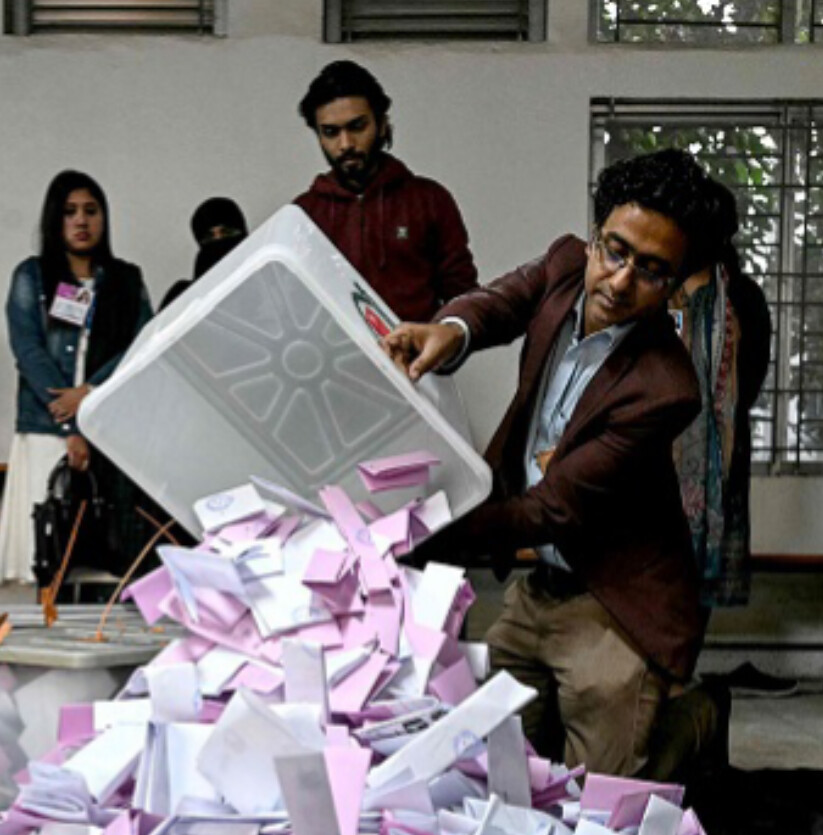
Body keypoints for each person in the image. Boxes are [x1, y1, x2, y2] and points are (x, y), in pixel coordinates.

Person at [380, 149, 727, 779]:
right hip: (538, 584)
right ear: (594, 237)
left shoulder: (665, 387)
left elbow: (552, 509)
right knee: (491, 763)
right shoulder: (566, 265)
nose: (620, 281)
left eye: (651, 270)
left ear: (675, 282)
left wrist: (415, 533)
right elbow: (498, 303)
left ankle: (694, 717)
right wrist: (449, 331)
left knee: (600, 799)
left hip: (614, 601)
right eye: (615, 251)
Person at [0, 170, 153, 585]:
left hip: (110, 429)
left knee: (105, 557)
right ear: (54, 219)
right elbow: (28, 350)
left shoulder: (126, 280)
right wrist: (71, 422)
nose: (81, 221)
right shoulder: (32, 275)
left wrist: (90, 394)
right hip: (48, 426)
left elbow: (142, 348)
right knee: (49, 553)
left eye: (91, 211)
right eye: (69, 212)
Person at [670, 182, 787, 698]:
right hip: (650, 458)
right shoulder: (653, 286)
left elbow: (749, 385)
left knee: (699, 583)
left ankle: (679, 676)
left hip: (717, 463)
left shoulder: (742, 296)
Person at [294, 60, 478, 324]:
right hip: (332, 351)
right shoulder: (303, 215)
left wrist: (444, 343)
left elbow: (462, 299)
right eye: (331, 132)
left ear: (381, 124)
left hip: (416, 351)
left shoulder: (429, 200)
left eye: (357, 127)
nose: (345, 144)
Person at [161, 197, 248, 310]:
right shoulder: (182, 297)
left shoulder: (265, 282)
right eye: (210, 237)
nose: (219, 241)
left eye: (226, 232)